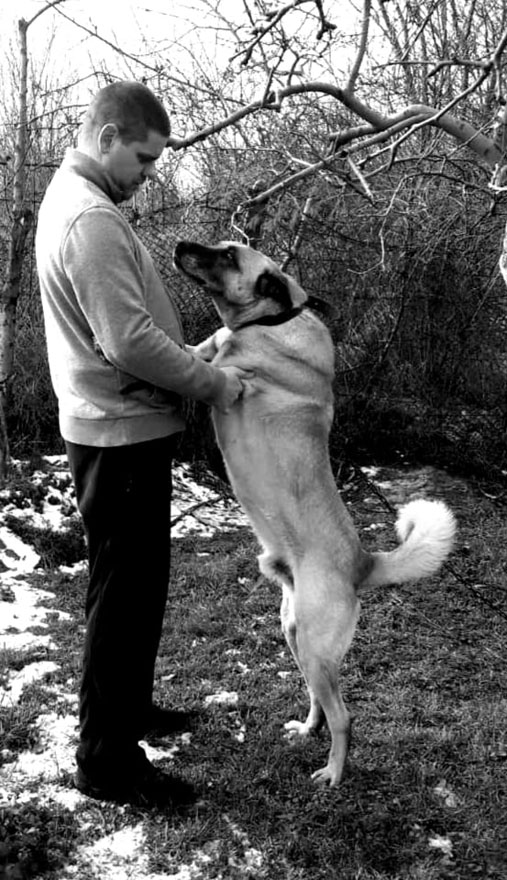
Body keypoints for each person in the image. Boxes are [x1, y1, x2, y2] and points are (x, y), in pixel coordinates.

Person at [35, 80, 251, 808]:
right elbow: (125, 342)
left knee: (135, 589)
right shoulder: (89, 218)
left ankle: (129, 713)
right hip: (117, 436)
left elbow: (123, 337)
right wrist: (210, 383)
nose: (150, 173)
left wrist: (197, 351)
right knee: (121, 598)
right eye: (144, 157)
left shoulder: (82, 203)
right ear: (106, 139)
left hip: (119, 427)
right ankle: (105, 761)